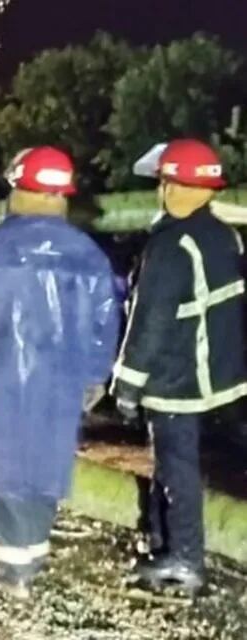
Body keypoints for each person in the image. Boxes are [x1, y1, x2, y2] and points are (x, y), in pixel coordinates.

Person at [0, 146, 121, 597]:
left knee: (2, 470)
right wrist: (96, 378)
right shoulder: (90, 255)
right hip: (63, 383)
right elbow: (106, 322)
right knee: (45, 466)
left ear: (19, 189)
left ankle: (14, 572)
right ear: (63, 197)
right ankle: (32, 557)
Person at [110, 139, 246, 594]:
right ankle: (164, 541)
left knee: (176, 467)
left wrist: (127, 386)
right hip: (220, 375)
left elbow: (149, 321)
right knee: (180, 465)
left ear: (171, 186)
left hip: (178, 380)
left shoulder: (169, 246)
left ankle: (185, 559)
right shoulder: (224, 234)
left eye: (164, 182)